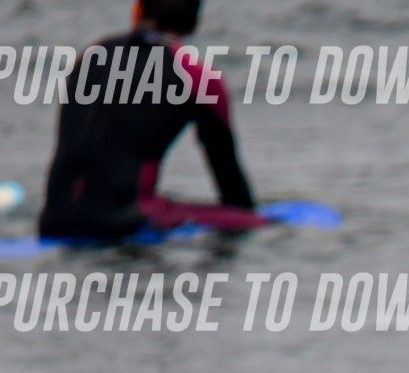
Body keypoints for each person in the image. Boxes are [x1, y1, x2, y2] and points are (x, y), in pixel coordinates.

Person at [40, 0, 264, 242]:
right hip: (122, 223)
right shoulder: (197, 77)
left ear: (137, 10)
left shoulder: (90, 56)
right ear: (194, 23)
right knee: (250, 222)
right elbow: (231, 187)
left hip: (52, 222)